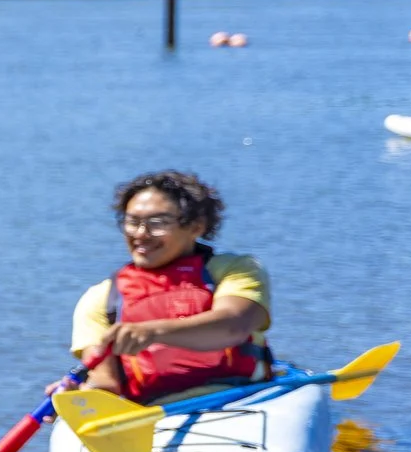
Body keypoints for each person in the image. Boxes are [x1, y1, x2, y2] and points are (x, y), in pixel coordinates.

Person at [69, 170, 272, 402]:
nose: (141, 234)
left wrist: (152, 332)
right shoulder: (102, 298)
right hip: (153, 414)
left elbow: (234, 326)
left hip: (243, 399)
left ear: (196, 226)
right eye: (132, 222)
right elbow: (105, 383)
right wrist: (82, 394)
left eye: (157, 223)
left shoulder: (234, 269)